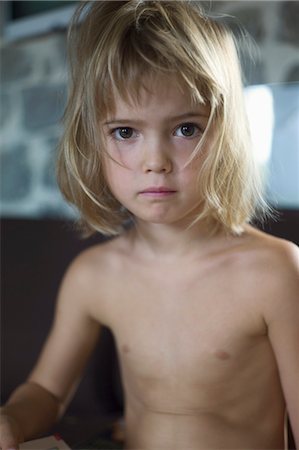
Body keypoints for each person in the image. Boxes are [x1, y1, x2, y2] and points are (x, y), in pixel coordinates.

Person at [1, 1, 298, 449]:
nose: (155, 163)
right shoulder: (94, 275)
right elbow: (46, 392)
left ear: (225, 133)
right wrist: (12, 421)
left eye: (186, 129)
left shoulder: (276, 272)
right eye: (125, 132)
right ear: (92, 141)